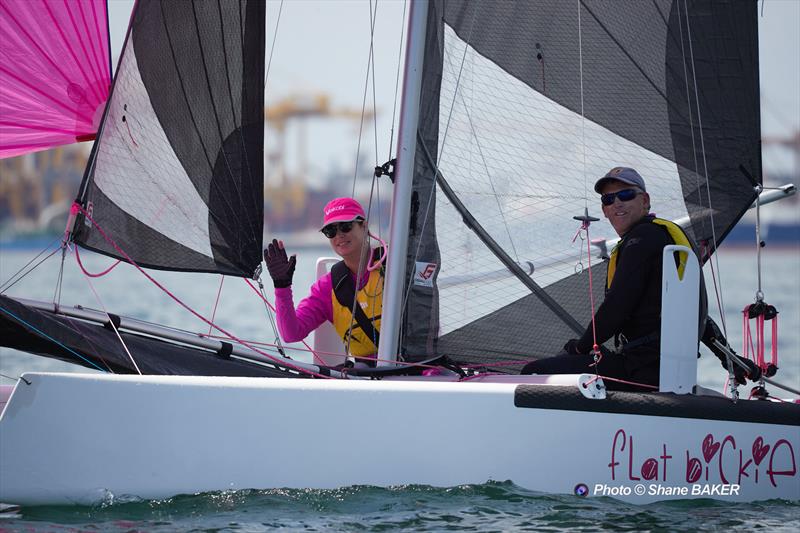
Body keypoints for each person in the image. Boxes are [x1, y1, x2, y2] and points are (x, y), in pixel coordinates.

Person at [521, 167, 707, 391]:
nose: (617, 203)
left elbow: (617, 305)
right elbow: (692, 311)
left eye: (626, 195)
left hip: (640, 369)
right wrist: (731, 359)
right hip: (662, 371)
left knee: (534, 372)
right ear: (604, 210)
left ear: (645, 200)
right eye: (609, 199)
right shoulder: (664, 238)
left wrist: (579, 348)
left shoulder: (642, 238)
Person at [264, 197, 385, 365]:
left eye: (345, 226)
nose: (339, 235)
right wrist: (282, 286)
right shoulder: (327, 287)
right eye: (331, 231)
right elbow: (291, 335)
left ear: (364, 226)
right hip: (368, 376)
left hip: (417, 369)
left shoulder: (394, 266)